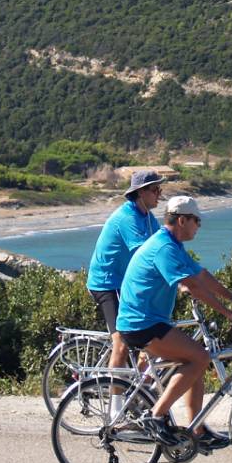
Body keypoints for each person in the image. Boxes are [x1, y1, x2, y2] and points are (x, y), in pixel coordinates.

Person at [116, 195, 232, 452]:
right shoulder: (164, 248)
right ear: (182, 219)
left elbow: (202, 276)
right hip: (141, 324)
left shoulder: (173, 245)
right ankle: (155, 416)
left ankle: (196, 429)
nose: (199, 226)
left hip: (149, 321)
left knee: (196, 361)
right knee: (200, 357)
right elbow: (195, 287)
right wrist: (226, 312)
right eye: (196, 221)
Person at [85, 169, 166, 416]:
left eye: (160, 190)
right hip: (108, 283)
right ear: (140, 193)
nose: (159, 195)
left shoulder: (149, 218)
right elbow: (145, 254)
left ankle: (138, 393)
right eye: (155, 190)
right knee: (121, 341)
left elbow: (164, 248)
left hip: (126, 283)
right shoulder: (128, 218)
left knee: (153, 334)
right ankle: (115, 412)